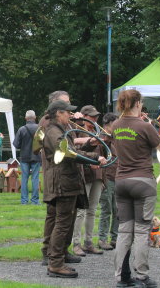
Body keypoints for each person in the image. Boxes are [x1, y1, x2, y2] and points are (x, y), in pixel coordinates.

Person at [41, 100, 106, 278]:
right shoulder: (54, 132)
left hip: (66, 182)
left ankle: (59, 259)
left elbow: (71, 150)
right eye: (66, 112)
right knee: (62, 224)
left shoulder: (60, 130)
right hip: (62, 183)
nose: (70, 115)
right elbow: (69, 154)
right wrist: (95, 157)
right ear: (58, 113)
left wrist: (89, 145)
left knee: (65, 223)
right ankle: (55, 264)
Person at [112, 89, 160, 288]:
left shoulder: (115, 125)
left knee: (124, 231)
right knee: (141, 231)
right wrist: (147, 123)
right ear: (138, 103)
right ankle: (142, 276)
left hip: (121, 181)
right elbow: (159, 145)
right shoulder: (144, 125)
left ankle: (121, 277)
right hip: (143, 181)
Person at [72, 105, 105, 256]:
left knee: (92, 210)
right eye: (92, 117)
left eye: (96, 117)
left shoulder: (97, 131)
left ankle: (89, 242)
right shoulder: (76, 129)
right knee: (80, 211)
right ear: (84, 116)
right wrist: (89, 164)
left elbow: (104, 152)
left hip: (97, 176)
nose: (95, 119)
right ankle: (76, 243)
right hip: (84, 175)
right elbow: (75, 149)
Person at [97, 112, 119, 251]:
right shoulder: (101, 138)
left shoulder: (118, 137)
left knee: (118, 210)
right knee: (106, 209)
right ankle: (102, 239)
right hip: (107, 177)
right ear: (108, 124)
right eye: (115, 124)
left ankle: (115, 238)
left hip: (119, 177)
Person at [13, 110, 41, 205]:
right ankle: (35, 201)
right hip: (36, 156)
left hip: (24, 157)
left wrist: (23, 145)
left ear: (25, 118)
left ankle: (24, 201)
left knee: (24, 179)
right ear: (35, 117)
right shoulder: (39, 128)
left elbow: (16, 144)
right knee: (35, 179)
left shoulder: (22, 129)